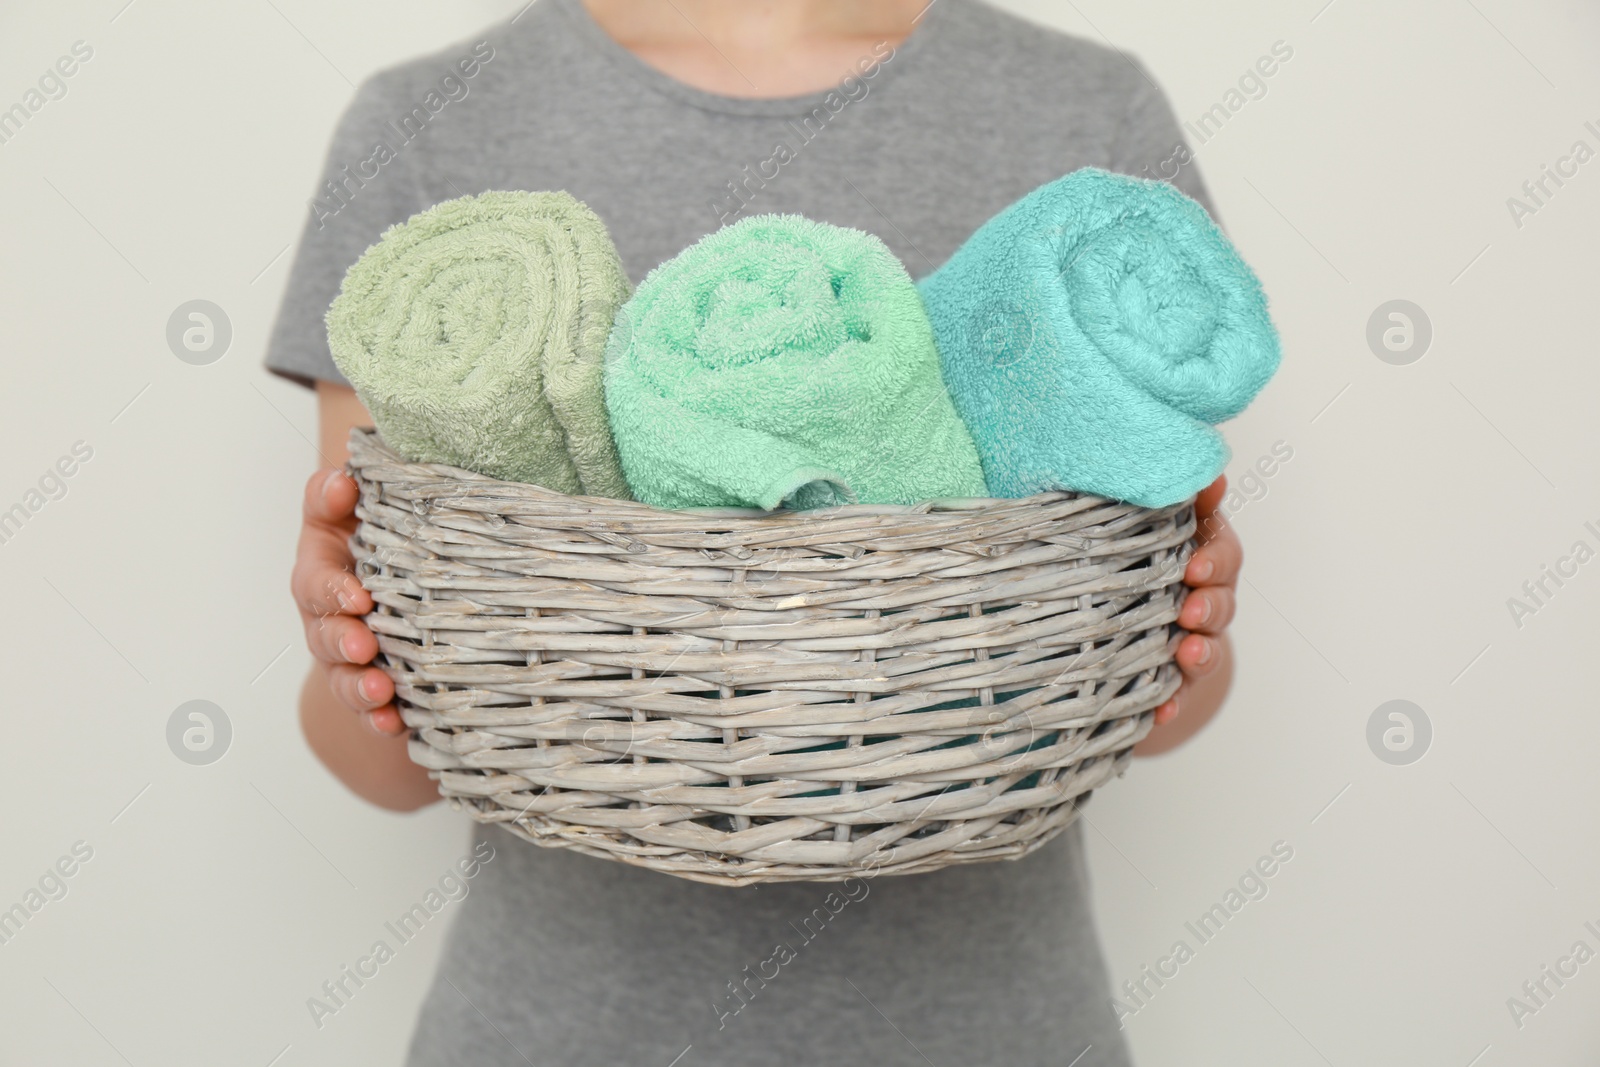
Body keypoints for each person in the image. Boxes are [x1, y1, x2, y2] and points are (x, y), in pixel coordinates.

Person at [268, 1, 1243, 1062]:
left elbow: (1169, 699)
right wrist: (360, 658)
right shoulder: (431, 123)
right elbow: (384, 767)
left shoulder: (1083, 110)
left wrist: (1175, 633)